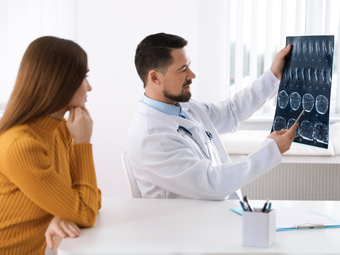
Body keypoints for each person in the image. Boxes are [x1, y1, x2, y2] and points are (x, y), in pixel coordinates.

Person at [127, 32, 297, 200]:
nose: (192, 75)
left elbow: (231, 112)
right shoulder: (151, 137)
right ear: (155, 77)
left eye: (189, 65)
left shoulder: (185, 107)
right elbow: (212, 183)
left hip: (215, 215)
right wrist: (270, 149)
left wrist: (273, 75)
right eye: (183, 69)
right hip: (187, 224)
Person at [0, 36, 102, 254]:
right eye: (84, 77)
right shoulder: (21, 145)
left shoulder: (61, 130)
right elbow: (87, 211)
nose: (90, 87)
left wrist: (61, 212)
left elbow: (91, 199)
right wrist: (83, 143)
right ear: (61, 82)